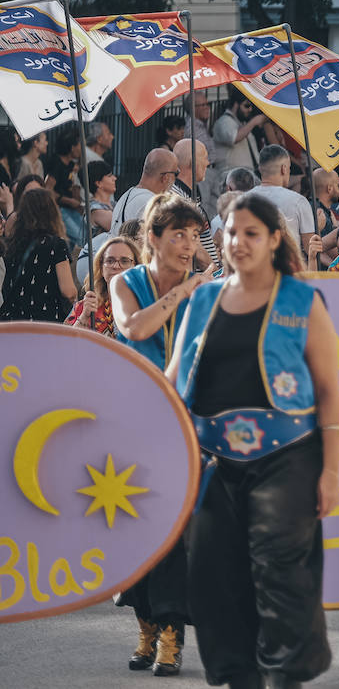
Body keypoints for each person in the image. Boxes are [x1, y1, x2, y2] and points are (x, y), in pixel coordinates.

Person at [166, 193, 339, 688]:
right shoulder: (202, 298)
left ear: (273, 240)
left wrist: (330, 471)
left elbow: (328, 390)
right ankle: (241, 679)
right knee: (213, 578)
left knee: (281, 574)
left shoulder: (303, 300)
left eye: (250, 233)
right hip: (214, 463)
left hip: (288, 459)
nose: (237, 242)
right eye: (230, 232)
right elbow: (174, 378)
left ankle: (285, 677)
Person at [110, 193, 211, 677]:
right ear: (153, 238)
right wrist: (182, 294)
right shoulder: (126, 281)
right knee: (136, 528)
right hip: (136, 419)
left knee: (174, 531)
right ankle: (146, 625)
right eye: (178, 234)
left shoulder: (208, 288)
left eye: (194, 235)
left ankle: (171, 634)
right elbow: (133, 328)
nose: (188, 245)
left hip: (190, 424)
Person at [0, 188, 77, 322]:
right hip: (44, 323)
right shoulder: (56, 245)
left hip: (12, 322)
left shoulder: (11, 244)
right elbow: (68, 291)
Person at [65, 235, 140, 336]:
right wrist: (84, 316)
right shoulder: (84, 306)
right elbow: (64, 345)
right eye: (110, 261)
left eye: (124, 261)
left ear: (136, 266)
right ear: (101, 267)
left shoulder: (147, 304)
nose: (116, 266)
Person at [254, 144, 317, 255]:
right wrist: (318, 228)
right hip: (288, 268)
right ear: (284, 169)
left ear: (260, 168)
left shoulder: (242, 199)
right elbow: (310, 249)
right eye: (289, 168)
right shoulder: (298, 201)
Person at [171, 137, 221, 273]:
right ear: (192, 163)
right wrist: (217, 275)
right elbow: (196, 250)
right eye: (205, 157)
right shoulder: (177, 199)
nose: (208, 162)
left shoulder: (187, 195)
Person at [111, 148, 180, 230]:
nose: (176, 179)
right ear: (165, 177)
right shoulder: (152, 203)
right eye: (176, 173)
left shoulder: (126, 195)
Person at [213, 90, 266, 173]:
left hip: (247, 173)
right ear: (235, 105)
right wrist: (254, 122)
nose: (250, 109)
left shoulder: (241, 123)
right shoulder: (224, 121)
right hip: (231, 174)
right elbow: (234, 138)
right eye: (247, 106)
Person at [88, 161, 117, 234]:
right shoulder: (95, 209)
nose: (115, 178)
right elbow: (122, 228)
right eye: (110, 176)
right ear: (98, 183)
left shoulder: (114, 204)